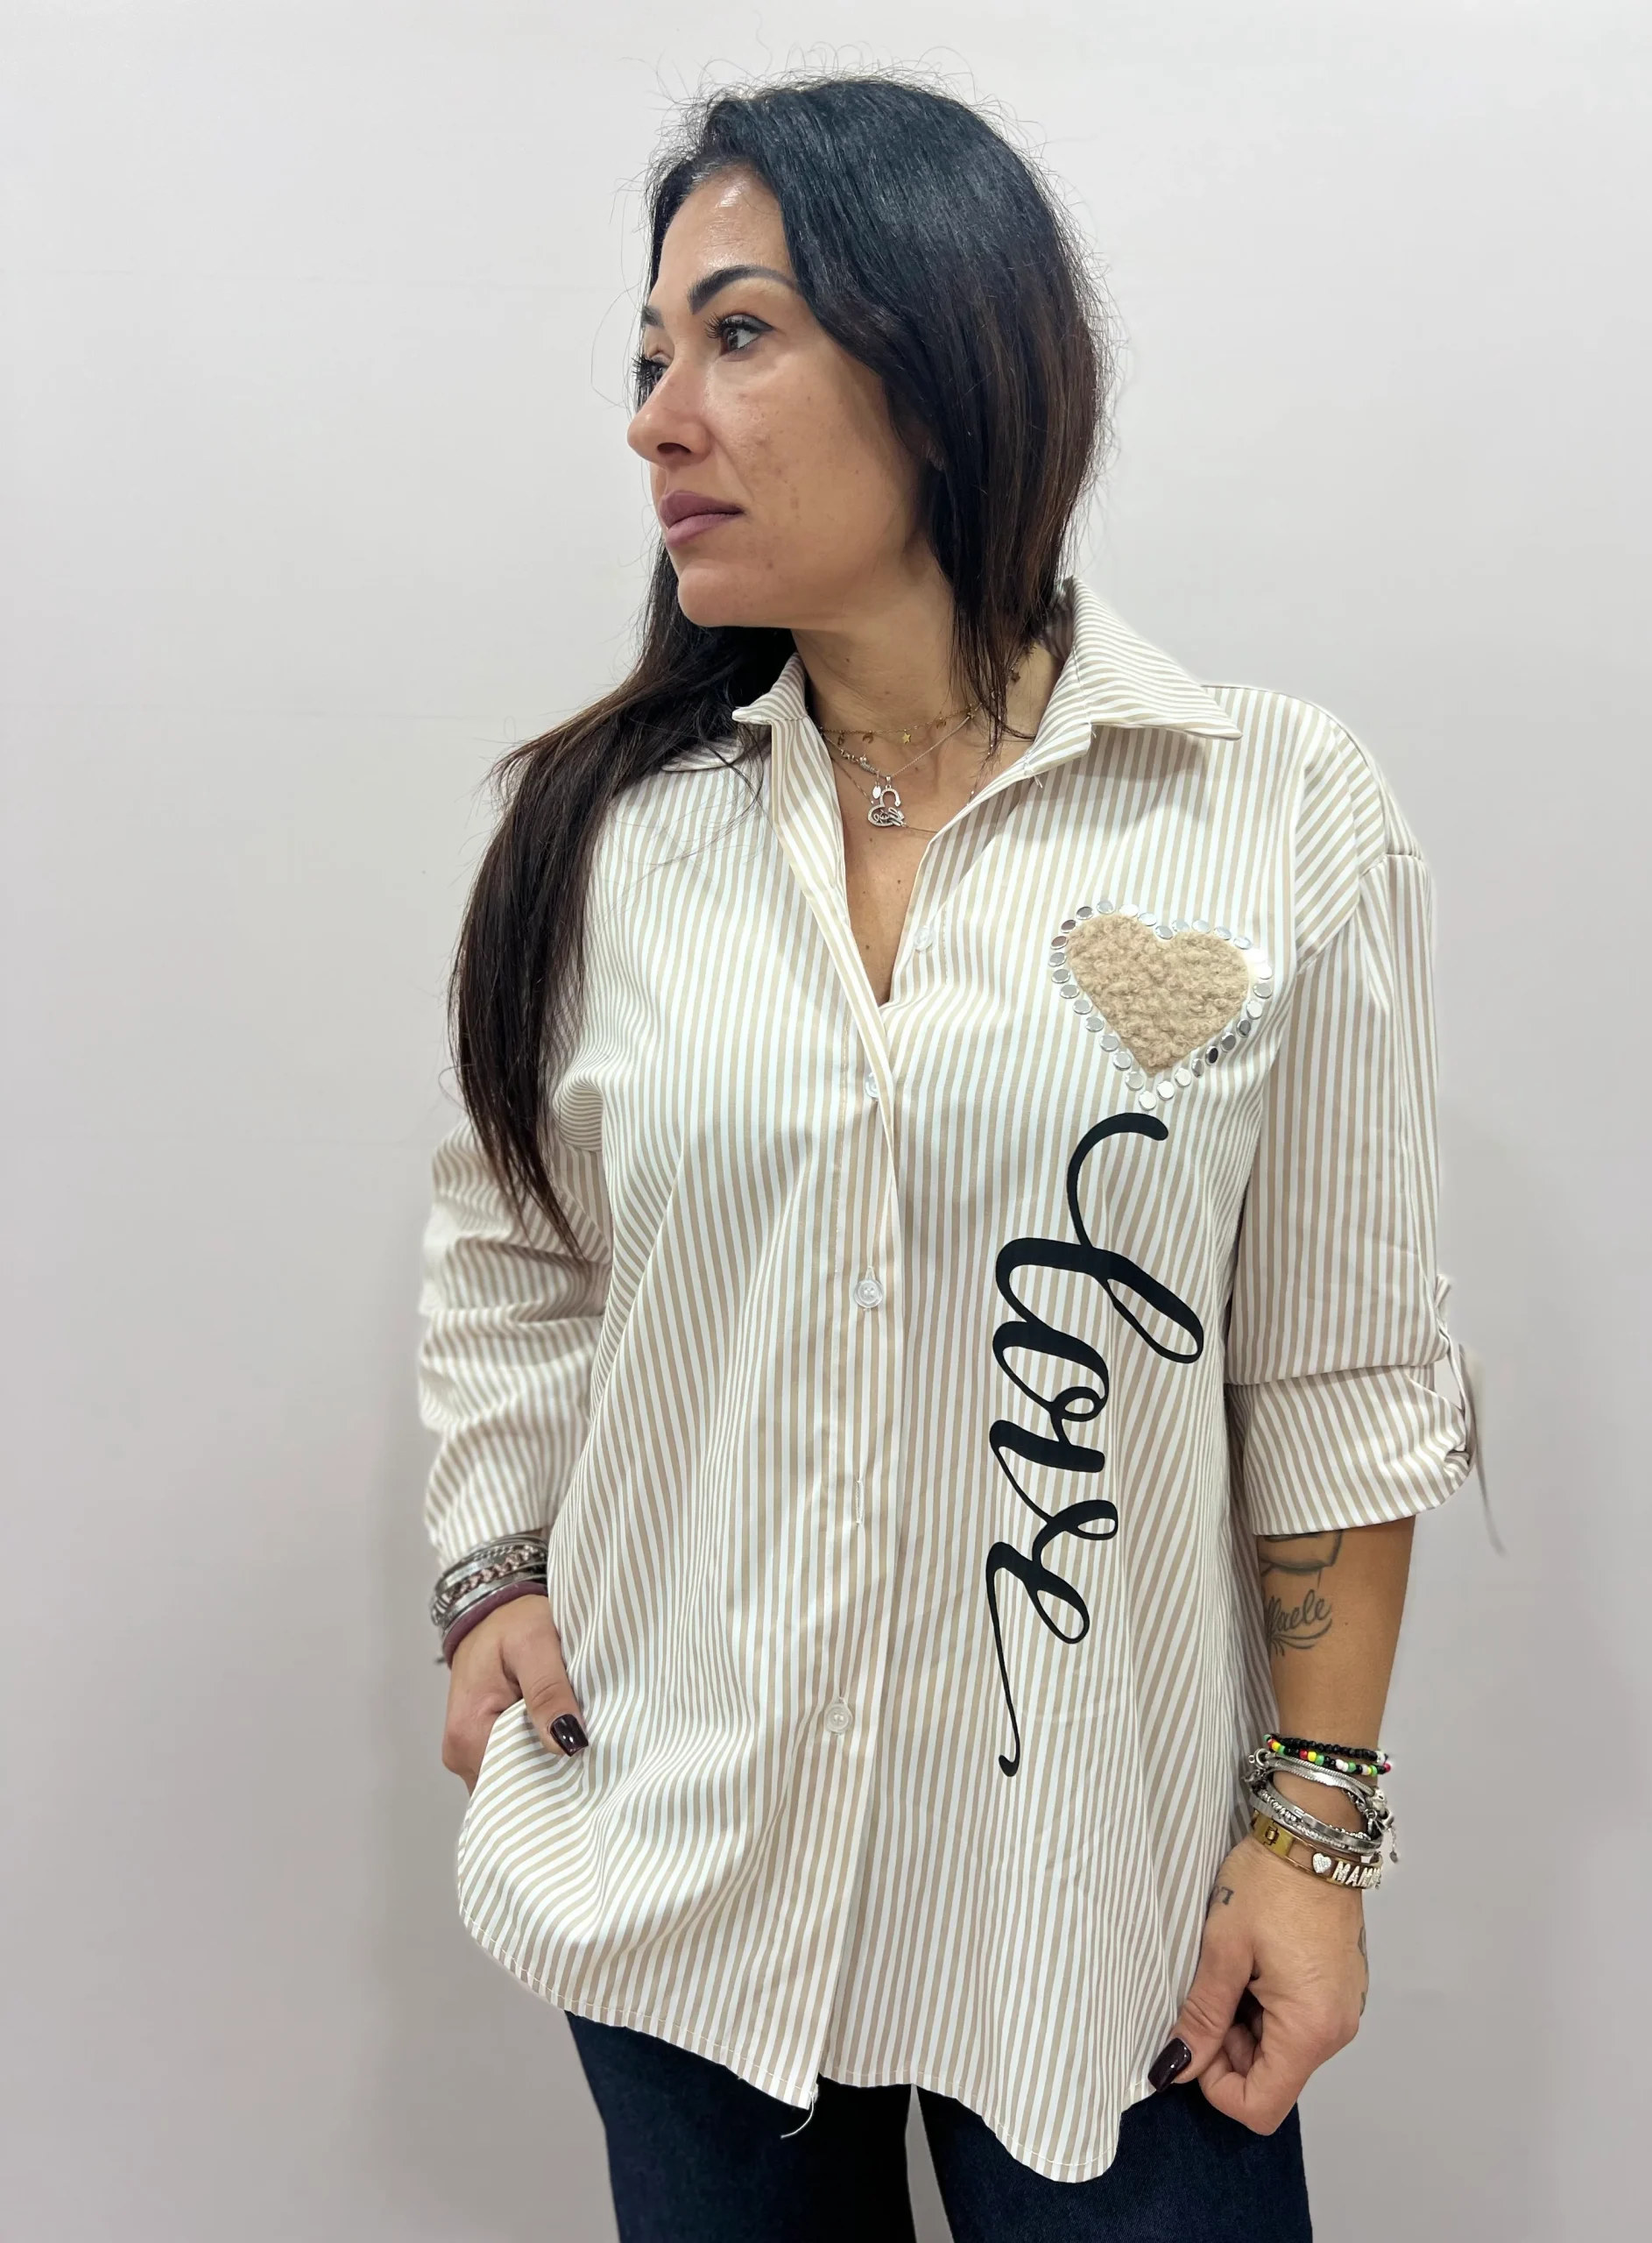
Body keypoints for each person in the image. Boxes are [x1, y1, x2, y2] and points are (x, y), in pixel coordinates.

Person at [416, 73, 1477, 2243]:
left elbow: (1341, 1369)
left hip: (1107, 1909)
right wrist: (489, 1567)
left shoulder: (1270, 809)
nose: (655, 420)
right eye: (648, 354)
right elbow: (519, 1247)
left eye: (736, 334)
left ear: (949, 353)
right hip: (688, 1872)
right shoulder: (609, 840)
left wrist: (1316, 1836)